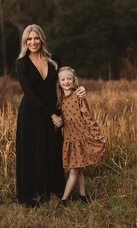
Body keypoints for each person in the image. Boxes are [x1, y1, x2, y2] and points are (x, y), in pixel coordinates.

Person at [15, 24, 86, 207]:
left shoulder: (54, 59)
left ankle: (53, 188)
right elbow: (29, 93)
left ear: (42, 39)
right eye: (29, 39)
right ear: (25, 41)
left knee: (52, 149)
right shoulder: (21, 63)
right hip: (31, 112)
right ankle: (32, 193)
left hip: (54, 111)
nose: (33, 42)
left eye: (36, 38)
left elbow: (66, 81)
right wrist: (51, 115)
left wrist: (80, 89)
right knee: (33, 150)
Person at [55, 66, 107, 204]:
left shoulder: (78, 96)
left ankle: (66, 199)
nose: (66, 82)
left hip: (82, 135)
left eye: (69, 79)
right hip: (70, 138)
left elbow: (86, 115)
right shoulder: (59, 100)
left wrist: (95, 132)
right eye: (63, 79)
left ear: (73, 80)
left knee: (78, 169)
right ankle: (74, 198)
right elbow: (59, 120)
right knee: (76, 169)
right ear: (59, 82)